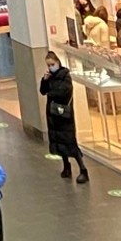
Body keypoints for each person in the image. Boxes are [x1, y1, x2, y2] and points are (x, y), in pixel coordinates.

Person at [40, 50, 89, 182]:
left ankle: (83, 169)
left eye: (52, 64)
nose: (50, 67)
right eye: (48, 65)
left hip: (64, 116)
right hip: (53, 115)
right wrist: (44, 81)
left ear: (57, 62)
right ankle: (66, 166)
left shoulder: (65, 76)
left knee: (70, 142)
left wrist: (51, 93)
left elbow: (63, 93)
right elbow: (43, 91)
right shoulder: (49, 76)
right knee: (59, 143)